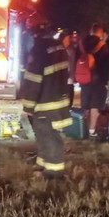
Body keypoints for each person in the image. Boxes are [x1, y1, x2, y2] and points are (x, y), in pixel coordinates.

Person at [20, 13, 72, 179]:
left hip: (44, 102)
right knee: (43, 134)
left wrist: (28, 105)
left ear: (34, 32)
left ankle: (53, 172)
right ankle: (43, 163)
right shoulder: (59, 46)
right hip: (59, 98)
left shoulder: (39, 49)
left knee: (49, 136)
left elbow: (33, 80)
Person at [77, 23, 109, 137]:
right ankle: (92, 130)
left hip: (84, 78)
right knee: (95, 105)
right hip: (98, 79)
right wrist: (106, 80)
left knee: (85, 104)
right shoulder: (103, 46)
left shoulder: (82, 43)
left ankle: (83, 128)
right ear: (101, 33)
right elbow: (106, 65)